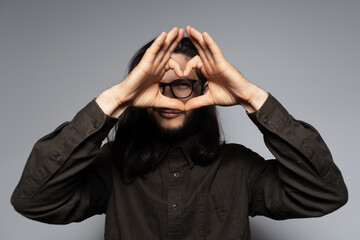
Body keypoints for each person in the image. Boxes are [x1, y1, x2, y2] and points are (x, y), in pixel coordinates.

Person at [11, 26, 348, 240]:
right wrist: (116, 99)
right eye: (156, 86)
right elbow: (33, 199)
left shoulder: (240, 168)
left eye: (182, 85)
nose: (168, 98)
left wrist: (251, 97)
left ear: (203, 89)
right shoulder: (111, 166)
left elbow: (326, 193)